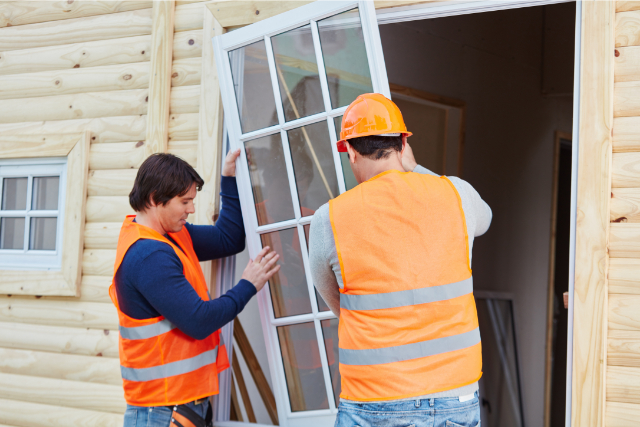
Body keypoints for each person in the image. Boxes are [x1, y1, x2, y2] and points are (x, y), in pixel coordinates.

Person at [309, 93, 492, 427]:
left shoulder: (329, 219)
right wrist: (415, 168)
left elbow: (338, 302)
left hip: (375, 399)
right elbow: (486, 218)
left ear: (350, 151)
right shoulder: (456, 194)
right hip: (456, 396)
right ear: (403, 143)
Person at [109, 151, 280, 427]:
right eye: (185, 201)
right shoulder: (148, 255)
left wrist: (229, 178)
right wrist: (249, 284)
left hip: (183, 404)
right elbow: (199, 321)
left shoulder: (172, 235)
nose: (190, 209)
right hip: (161, 413)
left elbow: (228, 239)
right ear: (155, 199)